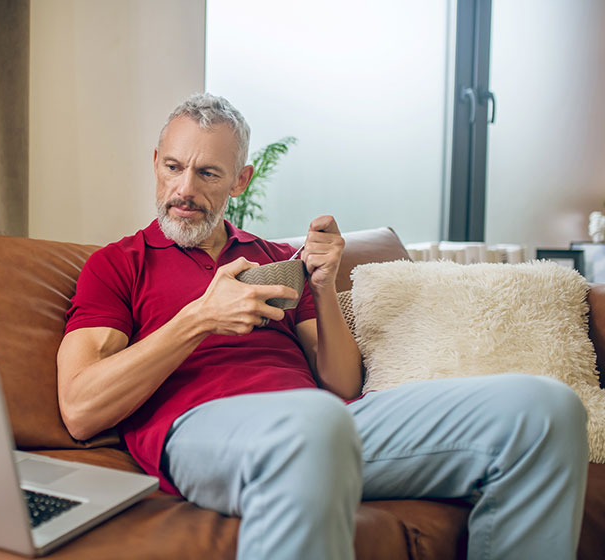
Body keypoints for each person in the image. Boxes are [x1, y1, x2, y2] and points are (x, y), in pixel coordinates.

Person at [56, 92, 588, 560]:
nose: (184, 188)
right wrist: (198, 318)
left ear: (241, 180)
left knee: (545, 411)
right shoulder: (118, 264)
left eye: (207, 173)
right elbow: (81, 409)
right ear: (155, 164)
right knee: (312, 426)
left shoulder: (272, 259)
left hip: (331, 423)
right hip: (206, 428)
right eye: (173, 167)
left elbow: (340, 386)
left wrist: (324, 285)